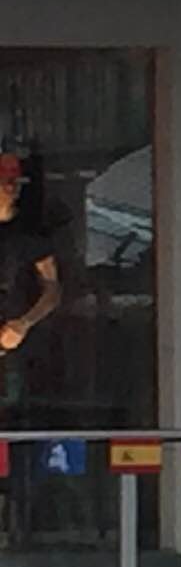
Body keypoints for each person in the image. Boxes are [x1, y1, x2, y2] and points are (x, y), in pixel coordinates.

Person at [0, 152, 64, 419]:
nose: (10, 188)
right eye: (5, 182)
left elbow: (52, 288)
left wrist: (25, 323)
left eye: (14, 182)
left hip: (10, 339)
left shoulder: (29, 232)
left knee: (13, 405)